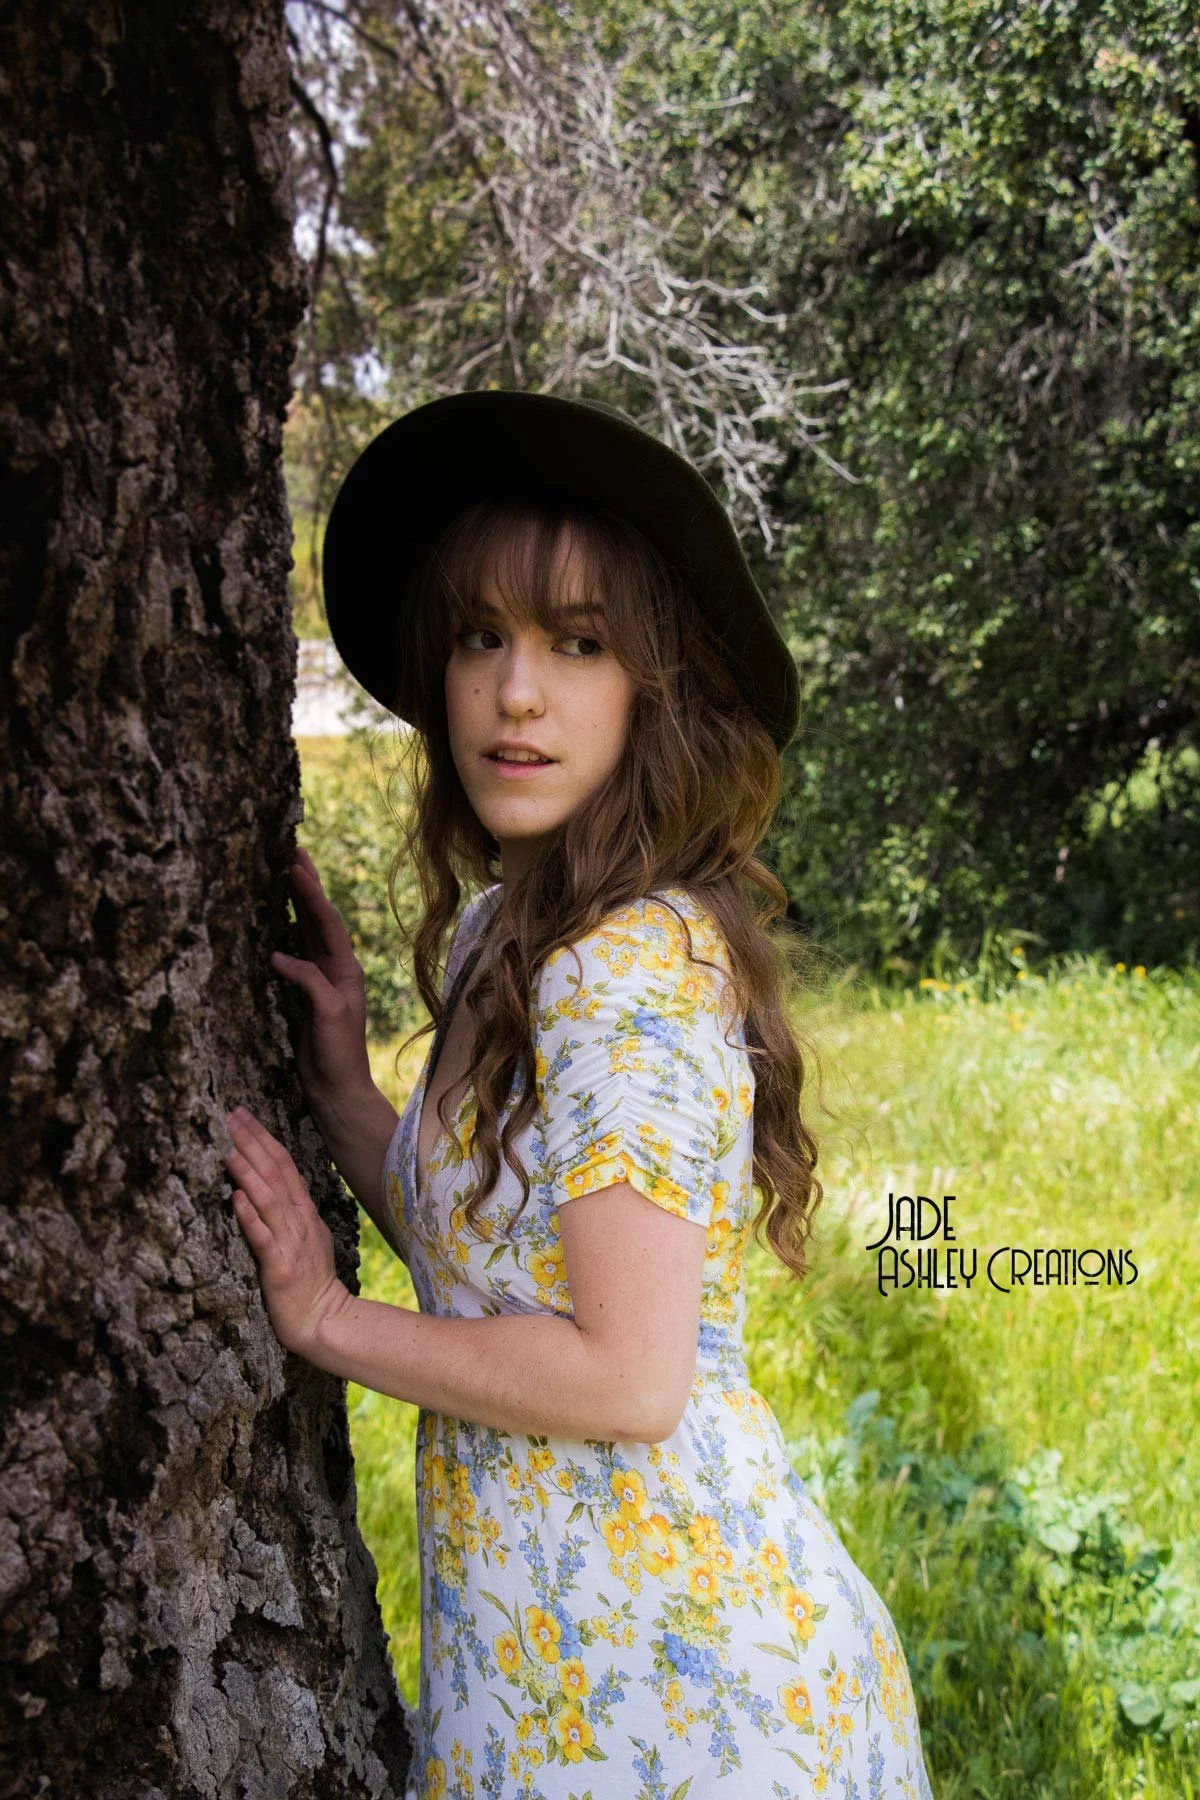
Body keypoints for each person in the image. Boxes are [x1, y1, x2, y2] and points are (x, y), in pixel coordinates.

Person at [223, 393, 936, 1799]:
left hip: (683, 1695)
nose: (517, 693)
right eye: (481, 637)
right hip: (566, 1666)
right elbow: (500, 1270)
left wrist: (328, 1321)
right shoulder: (512, 932)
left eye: (579, 644)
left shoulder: (627, 968)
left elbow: (626, 1375)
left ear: (651, 691)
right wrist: (347, 1091)